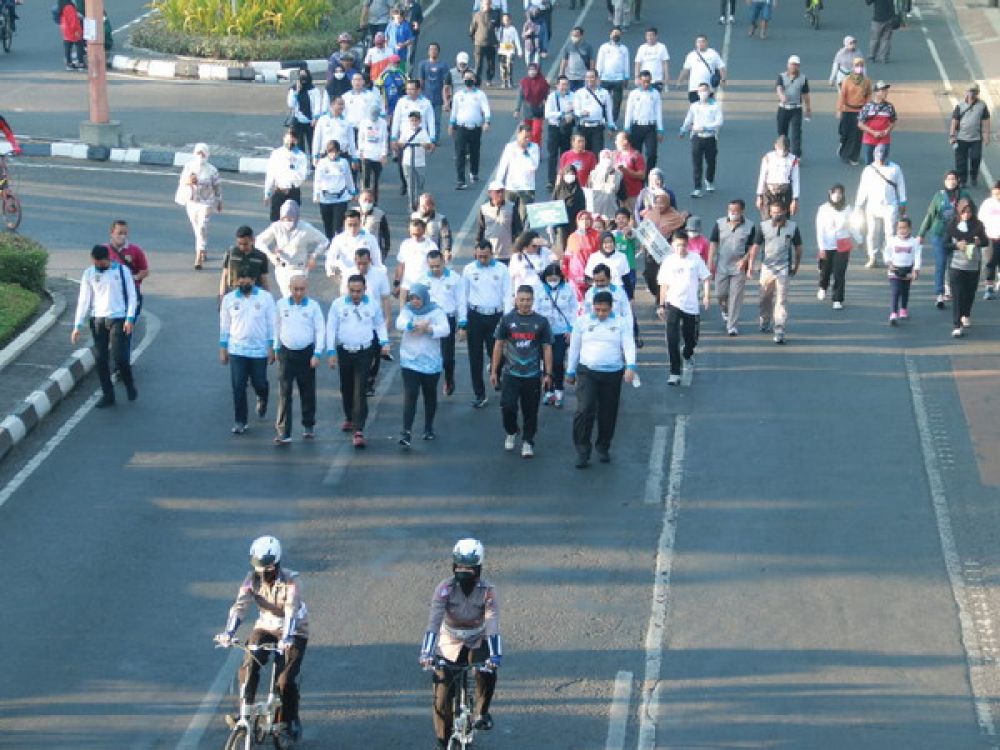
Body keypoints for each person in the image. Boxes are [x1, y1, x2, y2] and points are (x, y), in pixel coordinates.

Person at [214, 536, 308, 744]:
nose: (262, 573)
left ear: (276, 564)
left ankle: (290, 719)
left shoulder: (292, 582)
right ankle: (245, 713)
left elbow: (291, 610)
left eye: (267, 568)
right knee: (248, 664)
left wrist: (287, 638)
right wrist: (229, 633)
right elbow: (240, 605)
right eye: (258, 568)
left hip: (293, 631)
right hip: (265, 626)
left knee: (284, 680)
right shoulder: (251, 580)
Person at [419, 539, 502, 748]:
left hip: (477, 639)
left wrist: (495, 656)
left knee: (487, 673)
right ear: (453, 566)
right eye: (459, 566)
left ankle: (481, 713)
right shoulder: (444, 589)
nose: (463, 571)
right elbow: (434, 622)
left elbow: (492, 622)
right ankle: (442, 743)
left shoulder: (488, 591)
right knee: (441, 698)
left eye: (469, 568)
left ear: (479, 568)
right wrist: (426, 654)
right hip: (449, 641)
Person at [566, 290, 636, 468]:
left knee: (608, 412)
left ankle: (603, 446)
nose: (601, 313)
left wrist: (631, 366)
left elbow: (628, 344)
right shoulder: (582, 322)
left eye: (604, 310)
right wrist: (570, 371)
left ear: (611, 308)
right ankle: (582, 450)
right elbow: (574, 347)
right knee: (584, 409)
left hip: (612, 372)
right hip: (587, 371)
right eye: (597, 310)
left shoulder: (620, 322)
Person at [71, 245, 138, 408]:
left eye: (100, 262)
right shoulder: (89, 274)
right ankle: (108, 395)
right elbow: (84, 300)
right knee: (101, 359)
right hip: (98, 320)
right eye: (95, 262)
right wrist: (77, 325)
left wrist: (129, 318)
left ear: (107, 259)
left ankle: (129, 384)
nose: (97, 265)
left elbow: (132, 295)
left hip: (118, 318)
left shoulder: (121, 271)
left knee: (120, 357)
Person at [490, 285, 553, 458]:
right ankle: (511, 431)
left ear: (533, 301)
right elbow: (498, 345)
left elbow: (547, 348)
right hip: (511, 373)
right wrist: (494, 371)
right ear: (516, 300)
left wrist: (548, 374)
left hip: (532, 375)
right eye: (522, 300)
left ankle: (528, 441)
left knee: (530, 411)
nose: (525, 303)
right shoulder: (506, 320)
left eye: (528, 300)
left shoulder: (541, 322)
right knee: (507, 407)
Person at [327, 274, 390, 448]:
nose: (355, 294)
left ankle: (359, 429)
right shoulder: (338, 305)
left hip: (365, 351)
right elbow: (331, 328)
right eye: (352, 291)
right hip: (345, 351)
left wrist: (384, 342)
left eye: (359, 291)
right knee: (346, 388)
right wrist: (331, 351)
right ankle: (349, 417)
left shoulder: (372, 304)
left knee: (360, 390)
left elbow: (379, 324)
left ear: (364, 290)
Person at [219, 264, 276, 433]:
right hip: (237, 349)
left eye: (247, 282)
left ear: (253, 280)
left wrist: (272, 347)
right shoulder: (229, 300)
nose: (244, 285)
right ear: (237, 281)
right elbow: (224, 325)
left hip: (259, 349)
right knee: (238, 386)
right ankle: (240, 421)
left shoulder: (265, 298)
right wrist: (223, 348)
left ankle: (262, 396)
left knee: (259, 382)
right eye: (241, 282)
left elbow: (272, 324)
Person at [397, 284, 451, 445]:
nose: (415, 301)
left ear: (424, 298)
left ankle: (428, 428)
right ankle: (406, 432)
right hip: (410, 360)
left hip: (430, 361)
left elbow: (445, 329)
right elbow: (400, 322)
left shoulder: (436, 311)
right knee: (411, 394)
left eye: (418, 298)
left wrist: (429, 329)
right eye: (412, 298)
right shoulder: (407, 310)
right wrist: (412, 325)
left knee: (429, 395)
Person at [274, 274, 325, 444]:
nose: (299, 293)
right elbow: (276, 327)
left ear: (306, 289)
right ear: (290, 288)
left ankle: (308, 424)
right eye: (296, 289)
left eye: (302, 289)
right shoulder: (281, 305)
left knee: (307, 391)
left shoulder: (313, 306)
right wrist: (275, 348)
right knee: (284, 393)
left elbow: (320, 329)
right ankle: (284, 432)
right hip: (286, 353)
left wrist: (317, 353)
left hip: (306, 353)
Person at [461, 242, 512, 408]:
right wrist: (462, 321)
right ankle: (479, 394)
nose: (482, 259)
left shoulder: (502, 269)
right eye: (479, 256)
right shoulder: (469, 269)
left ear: (492, 254)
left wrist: (507, 319)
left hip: (496, 316)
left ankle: (495, 372)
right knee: (475, 357)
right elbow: (463, 296)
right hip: (475, 316)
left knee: (496, 352)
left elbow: (507, 294)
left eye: (486, 256)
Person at [656, 230, 710, 386]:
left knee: (691, 338)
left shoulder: (695, 259)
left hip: (691, 306)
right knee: (672, 339)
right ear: (672, 245)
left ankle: (687, 353)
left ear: (688, 245)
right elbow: (663, 284)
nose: (681, 249)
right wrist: (661, 305)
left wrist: (706, 296)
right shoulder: (668, 261)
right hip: (673, 303)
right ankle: (674, 372)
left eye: (684, 245)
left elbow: (706, 278)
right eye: (678, 245)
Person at [917, 170, 973, 308]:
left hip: (958, 235)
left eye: (953, 179)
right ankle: (939, 294)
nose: (951, 181)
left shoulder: (964, 195)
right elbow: (930, 215)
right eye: (948, 179)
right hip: (939, 234)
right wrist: (921, 234)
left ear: (958, 180)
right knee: (941, 263)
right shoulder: (939, 196)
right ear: (944, 181)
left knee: (953, 264)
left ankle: (950, 288)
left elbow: (973, 213)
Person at [255, 200, 327, 298]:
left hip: (299, 268)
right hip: (282, 269)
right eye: (284, 218)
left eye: (290, 218)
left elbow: (324, 241)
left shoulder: (305, 228)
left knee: (296, 296)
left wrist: (313, 256)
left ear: (296, 217)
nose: (287, 222)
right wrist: (270, 255)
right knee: (287, 297)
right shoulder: (276, 227)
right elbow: (259, 241)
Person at [709, 199, 758, 336]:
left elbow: (752, 247)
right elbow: (713, 243)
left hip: (739, 268)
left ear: (742, 211)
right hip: (722, 266)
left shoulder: (750, 226)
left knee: (736, 297)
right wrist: (710, 262)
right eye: (730, 210)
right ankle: (725, 310)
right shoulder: (719, 223)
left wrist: (745, 260)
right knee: (720, 294)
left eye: (736, 210)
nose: (732, 213)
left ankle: (732, 325)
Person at [756, 201, 803, 344]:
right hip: (767, 267)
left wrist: (796, 265)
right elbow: (756, 246)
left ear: (784, 211)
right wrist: (751, 263)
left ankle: (779, 329)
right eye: (773, 212)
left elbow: (798, 248)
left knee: (781, 299)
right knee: (765, 297)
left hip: (784, 267)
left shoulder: (792, 227)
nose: (776, 215)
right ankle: (765, 318)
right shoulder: (763, 226)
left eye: (779, 212)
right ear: (770, 213)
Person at [855, 144, 906, 268]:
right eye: (878, 158)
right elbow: (863, 189)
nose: (880, 160)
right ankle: (872, 256)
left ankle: (888, 256)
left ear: (886, 156)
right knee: (873, 232)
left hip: (890, 205)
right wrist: (858, 205)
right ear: (874, 156)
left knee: (890, 233)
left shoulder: (895, 168)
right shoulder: (868, 170)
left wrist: (903, 202)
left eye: (882, 158)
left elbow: (901, 185)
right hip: (872, 205)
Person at [174, 143, 222, 270]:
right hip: (192, 202)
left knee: (202, 227)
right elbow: (182, 181)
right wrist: (189, 181)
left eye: (203, 153)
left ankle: (198, 256)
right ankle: (202, 248)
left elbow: (217, 186)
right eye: (198, 153)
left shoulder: (212, 170)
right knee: (197, 228)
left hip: (206, 203)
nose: (200, 156)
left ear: (207, 154)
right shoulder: (189, 167)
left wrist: (219, 201)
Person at [424, 250, 465, 396]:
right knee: (430, 355)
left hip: (447, 320)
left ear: (443, 262)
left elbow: (461, 302)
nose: (435, 269)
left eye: (437, 266)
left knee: (447, 357)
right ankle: (430, 385)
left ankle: (449, 378)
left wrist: (463, 324)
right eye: (432, 266)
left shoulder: (454, 278)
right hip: (429, 321)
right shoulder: (422, 279)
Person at [815, 184, 862, 309]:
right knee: (825, 270)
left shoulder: (847, 208)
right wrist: (821, 247)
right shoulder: (823, 209)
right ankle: (823, 287)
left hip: (842, 243)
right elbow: (820, 230)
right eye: (835, 193)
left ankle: (837, 299)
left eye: (840, 193)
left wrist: (859, 239)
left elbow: (852, 226)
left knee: (839, 272)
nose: (837, 195)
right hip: (827, 244)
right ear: (830, 194)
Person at [535, 263, 576, 407]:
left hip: (561, 332)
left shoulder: (568, 289)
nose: (553, 281)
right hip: (544, 333)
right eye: (550, 279)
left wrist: (571, 329)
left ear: (560, 277)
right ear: (545, 278)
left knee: (558, 361)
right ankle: (548, 390)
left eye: (555, 279)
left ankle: (559, 389)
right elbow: (535, 309)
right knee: (546, 362)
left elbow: (573, 309)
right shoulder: (539, 289)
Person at [946, 198, 988, 337]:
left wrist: (979, 242)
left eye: (969, 212)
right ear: (959, 211)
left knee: (969, 294)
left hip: (973, 265)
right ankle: (956, 325)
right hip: (956, 266)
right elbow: (945, 244)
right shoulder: (952, 225)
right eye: (963, 212)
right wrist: (956, 245)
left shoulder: (978, 225)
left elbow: (986, 242)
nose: (966, 215)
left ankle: (966, 314)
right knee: (957, 295)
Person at [640, 190, 689, 301]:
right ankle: (656, 293)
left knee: (665, 275)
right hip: (651, 250)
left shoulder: (675, 216)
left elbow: (680, 234)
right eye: (657, 203)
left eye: (662, 203)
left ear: (667, 203)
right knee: (651, 275)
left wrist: (671, 236)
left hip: (667, 251)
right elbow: (644, 230)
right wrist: (643, 243)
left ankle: (662, 299)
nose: (659, 206)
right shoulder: (650, 214)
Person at [679, 83, 723, 199]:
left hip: (710, 137)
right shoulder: (694, 106)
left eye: (705, 90)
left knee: (711, 162)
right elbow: (689, 118)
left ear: (709, 92)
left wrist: (706, 127)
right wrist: (683, 129)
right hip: (697, 137)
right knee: (697, 163)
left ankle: (709, 180)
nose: (703, 93)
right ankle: (697, 188)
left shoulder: (715, 106)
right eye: (701, 91)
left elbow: (719, 122)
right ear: (698, 93)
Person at [450, 72, 491, 189]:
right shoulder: (458, 95)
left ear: (475, 80)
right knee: (460, 153)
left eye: (471, 78)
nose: (468, 80)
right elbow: (454, 111)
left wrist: (487, 122)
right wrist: (451, 124)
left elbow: (486, 109)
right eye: (466, 78)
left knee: (474, 152)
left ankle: (474, 172)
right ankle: (460, 180)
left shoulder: (480, 94)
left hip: (475, 127)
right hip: (461, 127)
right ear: (463, 80)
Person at [104, 220, 150, 325]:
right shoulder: (103, 250)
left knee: (127, 326)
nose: (123, 236)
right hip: (110, 295)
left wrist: (134, 278)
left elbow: (145, 271)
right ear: (112, 233)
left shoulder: (135, 250)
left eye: (125, 233)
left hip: (130, 293)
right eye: (120, 233)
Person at [495, 124, 540, 224]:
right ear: (518, 135)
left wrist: (526, 153)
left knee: (523, 218)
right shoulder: (510, 147)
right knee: (508, 216)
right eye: (525, 137)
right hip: (511, 187)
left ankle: (521, 233)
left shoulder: (534, 147)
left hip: (527, 188)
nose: (527, 139)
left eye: (529, 137)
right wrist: (498, 183)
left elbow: (534, 167)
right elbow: (503, 165)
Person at [312, 138, 356, 240]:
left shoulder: (344, 162)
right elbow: (317, 180)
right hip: (325, 199)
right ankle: (329, 243)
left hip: (341, 198)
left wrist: (352, 192)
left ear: (339, 152)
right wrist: (316, 195)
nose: (333, 154)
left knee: (337, 227)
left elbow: (348, 178)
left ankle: (337, 243)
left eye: (336, 152)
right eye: (331, 152)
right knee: (328, 226)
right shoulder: (322, 163)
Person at [950, 84, 991, 188]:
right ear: (966, 92)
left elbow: (986, 121)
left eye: (974, 91)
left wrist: (986, 135)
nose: (972, 93)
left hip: (976, 138)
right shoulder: (960, 105)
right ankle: (962, 180)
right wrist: (952, 135)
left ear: (977, 93)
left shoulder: (982, 106)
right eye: (970, 91)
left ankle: (974, 176)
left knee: (976, 158)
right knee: (961, 161)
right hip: (961, 138)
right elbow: (955, 121)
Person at [264, 130, 309, 222]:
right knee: (276, 220)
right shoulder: (276, 154)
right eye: (288, 140)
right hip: (279, 191)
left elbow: (302, 175)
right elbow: (270, 174)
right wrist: (267, 193)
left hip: (293, 192)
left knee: (291, 221)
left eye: (292, 141)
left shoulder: (301, 156)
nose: (289, 143)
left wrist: (292, 169)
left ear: (296, 141)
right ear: (284, 139)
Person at [884, 216, 921, 324]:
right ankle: (893, 313)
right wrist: (889, 263)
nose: (902, 230)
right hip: (894, 269)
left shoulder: (914, 242)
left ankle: (903, 309)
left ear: (910, 229)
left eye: (904, 228)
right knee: (895, 291)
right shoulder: (892, 240)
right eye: (900, 228)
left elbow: (917, 256)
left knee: (905, 291)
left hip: (907, 269)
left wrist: (916, 269)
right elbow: (886, 252)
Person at [395, 111, 435, 212]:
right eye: (412, 120)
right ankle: (412, 206)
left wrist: (425, 145)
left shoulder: (423, 132)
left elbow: (428, 146)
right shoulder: (406, 131)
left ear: (419, 121)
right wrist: (399, 144)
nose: (414, 122)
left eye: (416, 120)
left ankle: (420, 202)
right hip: (408, 161)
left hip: (420, 162)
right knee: (411, 184)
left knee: (420, 184)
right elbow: (400, 143)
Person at [623, 70, 662, 171]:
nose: (646, 84)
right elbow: (629, 111)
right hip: (637, 126)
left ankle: (649, 175)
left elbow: (658, 112)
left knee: (652, 154)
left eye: (648, 82)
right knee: (636, 154)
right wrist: (627, 128)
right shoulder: (634, 93)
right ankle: (637, 175)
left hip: (650, 127)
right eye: (644, 81)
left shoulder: (655, 94)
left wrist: (660, 129)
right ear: (639, 81)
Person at [836, 58, 871, 166]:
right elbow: (842, 95)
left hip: (860, 110)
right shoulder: (847, 80)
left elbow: (868, 96)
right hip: (847, 110)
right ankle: (843, 150)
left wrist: (867, 110)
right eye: (856, 65)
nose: (859, 67)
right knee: (845, 132)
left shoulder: (866, 81)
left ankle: (853, 156)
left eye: (861, 65)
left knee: (857, 135)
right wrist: (839, 109)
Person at [775, 56, 811, 159]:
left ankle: (796, 156)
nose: (794, 67)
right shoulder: (781, 76)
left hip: (796, 109)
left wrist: (808, 108)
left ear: (799, 66)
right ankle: (782, 151)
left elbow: (805, 94)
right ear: (788, 65)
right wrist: (781, 96)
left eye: (796, 65)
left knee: (796, 133)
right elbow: (778, 88)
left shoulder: (803, 78)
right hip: (783, 108)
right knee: (782, 133)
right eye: (792, 64)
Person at [220, 226, 270, 302]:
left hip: (254, 295)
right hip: (234, 294)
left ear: (253, 240)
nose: (242, 247)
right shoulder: (230, 254)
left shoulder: (261, 256)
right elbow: (225, 275)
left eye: (245, 244)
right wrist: (222, 296)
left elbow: (264, 279)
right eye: (239, 243)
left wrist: (268, 298)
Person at [571, 70, 615, 155]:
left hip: (597, 128)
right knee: (582, 153)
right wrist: (581, 113)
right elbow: (576, 109)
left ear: (597, 78)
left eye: (592, 77)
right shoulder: (579, 92)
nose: (589, 79)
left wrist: (611, 127)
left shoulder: (604, 93)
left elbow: (609, 111)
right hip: (583, 127)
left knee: (597, 154)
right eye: (587, 77)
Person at [287, 69, 329, 157]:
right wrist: (296, 92)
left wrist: (316, 118)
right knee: (299, 144)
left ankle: (313, 161)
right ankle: (301, 161)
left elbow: (318, 105)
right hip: (298, 120)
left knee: (313, 143)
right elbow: (291, 104)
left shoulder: (314, 90)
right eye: (301, 75)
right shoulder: (293, 89)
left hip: (311, 121)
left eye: (305, 75)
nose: (303, 78)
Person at [755, 135, 800, 216]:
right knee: (767, 217)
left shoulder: (793, 159)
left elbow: (795, 179)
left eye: (785, 150)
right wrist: (759, 195)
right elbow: (762, 177)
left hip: (785, 190)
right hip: (769, 190)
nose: (782, 152)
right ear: (775, 146)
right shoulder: (768, 157)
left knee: (785, 217)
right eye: (780, 149)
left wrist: (795, 199)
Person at [476, 183, 523, 262]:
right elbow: (480, 230)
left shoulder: (511, 207)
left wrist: (518, 248)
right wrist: (477, 248)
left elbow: (518, 229)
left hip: (507, 253)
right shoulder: (484, 209)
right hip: (489, 254)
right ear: (490, 193)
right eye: (497, 192)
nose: (500, 194)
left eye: (502, 191)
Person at [544, 76, 576, 188]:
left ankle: (564, 179)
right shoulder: (552, 97)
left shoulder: (573, 96)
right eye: (562, 84)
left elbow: (577, 110)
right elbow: (547, 114)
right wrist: (562, 114)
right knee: (552, 155)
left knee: (565, 154)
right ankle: (551, 181)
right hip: (554, 128)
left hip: (567, 128)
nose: (564, 87)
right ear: (557, 86)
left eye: (566, 84)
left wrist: (572, 116)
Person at [397, 217, 440, 301]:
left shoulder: (431, 246)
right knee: (404, 309)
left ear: (423, 231)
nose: (415, 237)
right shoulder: (405, 244)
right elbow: (401, 265)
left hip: (424, 286)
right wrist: (397, 283)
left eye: (418, 234)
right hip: (407, 286)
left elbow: (436, 267)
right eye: (413, 234)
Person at [677, 34, 726, 104]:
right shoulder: (691, 55)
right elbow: (685, 70)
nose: (700, 44)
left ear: (706, 43)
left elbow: (721, 67)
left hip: (708, 89)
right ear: (696, 43)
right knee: (695, 108)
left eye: (702, 41)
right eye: (698, 42)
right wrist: (679, 81)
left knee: (708, 108)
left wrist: (723, 79)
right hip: (694, 88)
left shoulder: (713, 53)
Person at [563, 210, 601, 300]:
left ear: (591, 221)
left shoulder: (597, 235)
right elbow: (568, 256)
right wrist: (565, 273)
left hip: (592, 273)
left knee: (594, 299)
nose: (585, 221)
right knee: (578, 302)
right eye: (582, 219)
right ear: (578, 221)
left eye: (587, 219)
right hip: (576, 274)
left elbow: (600, 255)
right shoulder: (572, 237)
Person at [551, 164, 587, 257]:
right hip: (561, 223)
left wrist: (582, 222)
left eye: (572, 173)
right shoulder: (558, 189)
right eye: (568, 173)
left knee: (574, 247)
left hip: (574, 223)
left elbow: (583, 208)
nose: (570, 176)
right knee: (562, 245)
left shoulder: (579, 190)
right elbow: (552, 205)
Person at [858, 80, 896, 165]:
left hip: (884, 139)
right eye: (883, 90)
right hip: (870, 139)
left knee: (882, 163)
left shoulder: (889, 107)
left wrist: (887, 130)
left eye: (886, 90)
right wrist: (873, 132)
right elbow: (860, 124)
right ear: (876, 92)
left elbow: (893, 121)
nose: (885, 92)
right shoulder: (867, 107)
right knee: (869, 164)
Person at [312, 97, 358, 168]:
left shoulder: (347, 122)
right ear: (332, 105)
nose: (341, 106)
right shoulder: (322, 120)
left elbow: (351, 142)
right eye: (339, 104)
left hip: (342, 155)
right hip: (326, 155)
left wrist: (354, 158)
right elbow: (317, 139)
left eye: (343, 104)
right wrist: (315, 156)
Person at [596, 27, 630, 123]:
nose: (616, 35)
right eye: (614, 33)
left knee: (617, 102)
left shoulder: (624, 49)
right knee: (603, 100)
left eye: (618, 34)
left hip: (618, 80)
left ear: (620, 35)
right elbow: (600, 62)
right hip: (605, 79)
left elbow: (626, 64)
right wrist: (597, 76)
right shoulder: (604, 47)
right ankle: (603, 118)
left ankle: (613, 120)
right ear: (610, 35)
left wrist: (626, 77)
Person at [357, 104, 389, 204]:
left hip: (378, 155)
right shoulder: (364, 122)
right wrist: (360, 151)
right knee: (365, 178)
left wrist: (384, 154)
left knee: (376, 180)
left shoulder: (383, 123)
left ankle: (374, 201)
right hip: (367, 154)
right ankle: (364, 199)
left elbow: (384, 139)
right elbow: (361, 137)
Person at [514, 62, 549, 146]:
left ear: (537, 71)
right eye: (530, 70)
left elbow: (547, 97)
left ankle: (536, 150)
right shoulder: (524, 82)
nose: (532, 72)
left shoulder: (543, 82)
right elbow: (520, 96)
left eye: (534, 70)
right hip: (527, 111)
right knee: (526, 133)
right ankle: (527, 148)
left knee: (536, 132)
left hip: (539, 111)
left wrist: (548, 110)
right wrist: (517, 110)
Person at [418, 43, 450, 135]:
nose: (433, 51)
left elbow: (446, 84)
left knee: (436, 120)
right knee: (424, 119)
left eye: (435, 49)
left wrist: (447, 100)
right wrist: (418, 96)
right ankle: (425, 137)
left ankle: (434, 138)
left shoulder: (443, 65)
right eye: (431, 49)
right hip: (426, 97)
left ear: (438, 52)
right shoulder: (423, 64)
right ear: (428, 52)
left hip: (438, 98)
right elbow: (421, 81)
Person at [413, 194, 454, 262]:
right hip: (418, 255)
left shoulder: (441, 219)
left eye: (426, 205)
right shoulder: (414, 217)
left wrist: (446, 250)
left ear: (433, 206)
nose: (423, 207)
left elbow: (446, 237)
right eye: (421, 205)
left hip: (434, 257)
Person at [357, 189, 391, 262]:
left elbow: (386, 234)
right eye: (365, 200)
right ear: (359, 200)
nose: (367, 203)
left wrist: (385, 251)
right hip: (355, 249)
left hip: (373, 251)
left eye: (370, 201)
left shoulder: (380, 214)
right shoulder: (352, 213)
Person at [980, 181, 1000, 299]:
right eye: (994, 194)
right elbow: (980, 220)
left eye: (998, 194)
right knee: (990, 262)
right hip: (989, 237)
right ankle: (989, 287)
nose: (996, 196)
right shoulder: (987, 204)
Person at [559, 26, 595, 91]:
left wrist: (591, 74)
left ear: (581, 36)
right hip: (570, 77)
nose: (573, 37)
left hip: (583, 78)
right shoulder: (568, 46)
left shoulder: (588, 47)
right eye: (572, 35)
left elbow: (591, 61)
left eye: (576, 36)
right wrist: (561, 75)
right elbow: (564, 61)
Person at [588, 149, 621, 220]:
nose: (606, 160)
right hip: (596, 209)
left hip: (612, 209)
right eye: (604, 157)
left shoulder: (618, 174)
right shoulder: (593, 173)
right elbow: (589, 189)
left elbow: (620, 192)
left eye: (608, 157)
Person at [496, 13, 522, 89]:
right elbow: (497, 39)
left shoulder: (513, 29)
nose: (505, 22)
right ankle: (504, 81)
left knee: (509, 65)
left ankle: (510, 81)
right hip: (502, 50)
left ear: (510, 20)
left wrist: (519, 50)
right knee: (502, 66)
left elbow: (516, 40)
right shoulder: (500, 29)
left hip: (510, 49)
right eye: (504, 20)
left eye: (507, 20)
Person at [385, 6, 415, 71]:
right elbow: (386, 38)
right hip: (391, 53)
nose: (398, 19)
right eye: (396, 18)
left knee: (401, 72)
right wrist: (386, 49)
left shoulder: (406, 26)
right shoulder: (390, 25)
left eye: (399, 18)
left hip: (401, 54)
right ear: (393, 17)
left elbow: (410, 40)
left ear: (402, 18)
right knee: (390, 71)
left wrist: (403, 44)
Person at [58, 0, 84, 70]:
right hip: (72, 29)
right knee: (79, 45)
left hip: (65, 28)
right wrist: (76, 30)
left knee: (67, 46)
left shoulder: (61, 4)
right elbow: (73, 20)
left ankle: (68, 64)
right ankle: (80, 63)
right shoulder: (69, 6)